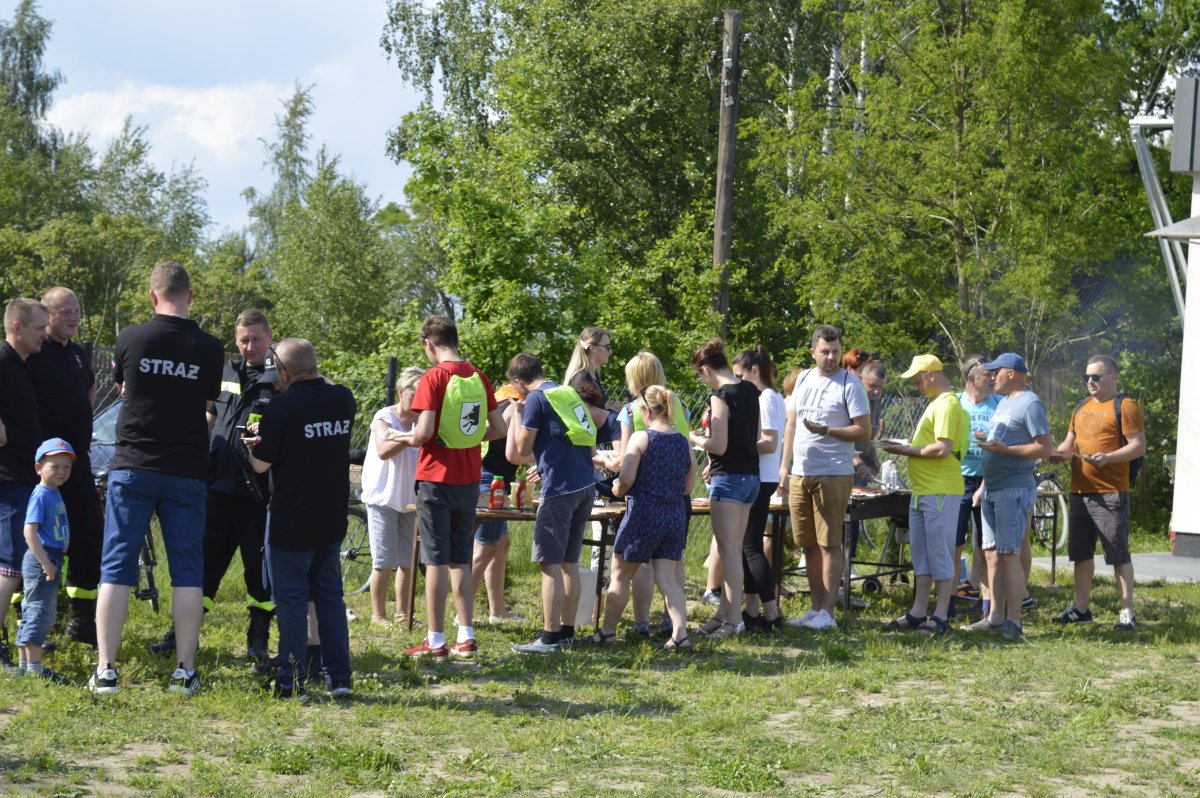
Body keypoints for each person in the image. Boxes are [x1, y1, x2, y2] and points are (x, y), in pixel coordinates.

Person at [89, 262, 224, 696]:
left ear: (152, 295)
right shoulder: (210, 348)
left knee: (116, 566)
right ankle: (185, 671)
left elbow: (123, 388)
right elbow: (207, 401)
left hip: (134, 464)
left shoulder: (131, 337)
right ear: (190, 296)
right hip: (186, 470)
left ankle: (106, 670)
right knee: (187, 571)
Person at [145, 310, 281, 666]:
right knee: (202, 567)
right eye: (243, 340)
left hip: (258, 493)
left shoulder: (281, 378)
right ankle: (180, 636)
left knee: (259, 573)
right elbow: (209, 417)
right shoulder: (227, 372)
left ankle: (257, 640)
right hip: (217, 488)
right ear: (236, 340)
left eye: (256, 339)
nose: (250, 346)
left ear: (270, 337)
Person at [247, 338, 356, 699]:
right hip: (331, 516)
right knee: (330, 598)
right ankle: (340, 677)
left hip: (290, 519)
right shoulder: (343, 399)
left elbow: (260, 465)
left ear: (283, 372)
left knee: (292, 601)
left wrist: (252, 445)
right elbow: (324, 387)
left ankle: (290, 679)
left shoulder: (281, 407)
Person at [401, 316, 506, 661]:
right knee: (460, 557)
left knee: (435, 560)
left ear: (429, 344)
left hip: (436, 479)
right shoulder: (478, 376)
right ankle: (466, 635)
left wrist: (403, 438)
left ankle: (435, 640)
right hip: (469, 478)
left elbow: (423, 433)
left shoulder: (433, 378)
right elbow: (498, 429)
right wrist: (468, 439)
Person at [506, 352, 619, 653]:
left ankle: (549, 637)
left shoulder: (535, 399)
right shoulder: (567, 392)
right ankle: (567, 633)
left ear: (518, 381)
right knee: (570, 564)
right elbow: (588, 442)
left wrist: (517, 415)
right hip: (585, 486)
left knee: (550, 565)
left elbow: (521, 448)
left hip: (558, 490)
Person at [778, 325, 871, 631]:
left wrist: (829, 431)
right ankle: (815, 609)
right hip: (800, 472)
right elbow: (791, 424)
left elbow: (863, 431)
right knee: (807, 545)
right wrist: (784, 466)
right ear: (813, 352)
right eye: (825, 352)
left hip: (833, 473)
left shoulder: (850, 384)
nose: (831, 357)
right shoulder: (803, 378)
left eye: (835, 351)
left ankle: (828, 613)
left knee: (829, 543)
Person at [593, 386, 695, 651]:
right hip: (674, 516)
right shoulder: (683, 441)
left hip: (642, 516)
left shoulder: (641, 438)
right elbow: (688, 486)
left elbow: (626, 479)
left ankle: (607, 632)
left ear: (647, 411)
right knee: (669, 579)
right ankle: (680, 635)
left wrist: (617, 488)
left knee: (620, 576)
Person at [28, 287, 103, 647]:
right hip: (45, 469)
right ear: (47, 316)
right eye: (65, 312)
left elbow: (90, 388)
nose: (74, 317)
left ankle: (82, 620)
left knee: (88, 536)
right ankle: (33, 621)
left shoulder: (77, 353)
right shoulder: (35, 352)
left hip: (78, 463)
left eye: (76, 311)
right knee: (39, 540)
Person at [1048, 355, 1145, 631]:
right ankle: (1081, 609)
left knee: (1117, 553)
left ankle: (1127, 611)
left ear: (1113, 377)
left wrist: (1109, 458)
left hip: (1110, 492)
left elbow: (1138, 446)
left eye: (1096, 377)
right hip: (1079, 492)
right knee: (1081, 554)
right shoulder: (1081, 406)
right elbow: (1069, 445)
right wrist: (1056, 455)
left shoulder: (1125, 406)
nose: (1090, 381)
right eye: (1087, 377)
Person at [963, 353, 1051, 640]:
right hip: (992, 488)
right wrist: (983, 485)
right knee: (990, 553)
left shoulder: (1030, 403)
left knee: (1008, 554)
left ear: (1011, 373)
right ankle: (995, 617)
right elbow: (1000, 444)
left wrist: (1007, 451)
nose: (992, 377)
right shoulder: (1003, 403)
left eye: (996, 372)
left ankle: (1014, 621)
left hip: (1013, 489)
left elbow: (1044, 448)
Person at [881, 355, 968, 635]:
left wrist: (904, 450)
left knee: (940, 553)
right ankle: (918, 612)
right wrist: (904, 446)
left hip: (940, 489)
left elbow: (942, 448)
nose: (916, 386)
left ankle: (941, 615)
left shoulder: (948, 404)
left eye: (918, 380)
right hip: (922, 491)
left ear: (931, 374)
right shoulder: (935, 403)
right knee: (921, 555)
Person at [689, 337, 761, 640]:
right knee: (733, 550)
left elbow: (718, 445)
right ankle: (723, 614)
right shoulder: (751, 390)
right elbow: (755, 436)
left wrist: (693, 438)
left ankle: (734, 621)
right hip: (751, 478)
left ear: (705, 369)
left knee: (729, 552)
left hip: (728, 479)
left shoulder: (720, 396)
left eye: (700, 375)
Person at [0, 298, 49, 668]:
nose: (45, 334)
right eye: (39, 328)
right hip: (8, 478)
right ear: (17, 327)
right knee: (10, 565)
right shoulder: (2, 360)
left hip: (21, 477)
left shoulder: (21, 364)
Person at [362, 366, 425, 626]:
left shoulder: (423, 420)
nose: (420, 401)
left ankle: (403, 614)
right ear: (401, 392)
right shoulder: (384, 416)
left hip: (410, 499)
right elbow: (383, 449)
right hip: (383, 497)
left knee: (408, 561)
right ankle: (378, 615)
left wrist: (407, 435)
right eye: (414, 394)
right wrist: (410, 438)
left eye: (424, 395)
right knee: (384, 561)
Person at [732, 345, 784, 631]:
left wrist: (736, 448)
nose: (738, 382)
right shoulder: (768, 397)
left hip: (761, 477)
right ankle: (752, 611)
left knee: (751, 547)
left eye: (741, 376)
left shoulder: (765, 398)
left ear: (755, 370)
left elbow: (770, 443)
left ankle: (772, 614)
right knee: (747, 546)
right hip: (762, 475)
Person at [16, 439, 75, 680]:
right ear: (39, 468)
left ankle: (24, 667)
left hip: (51, 556)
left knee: (32, 609)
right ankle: (35, 669)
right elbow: (29, 532)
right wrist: (45, 562)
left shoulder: (53, 492)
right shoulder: (41, 495)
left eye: (66, 467)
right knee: (40, 612)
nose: (62, 471)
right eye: (55, 466)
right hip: (43, 557)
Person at [472, 379, 525, 623]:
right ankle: (463, 614)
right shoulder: (515, 407)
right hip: (491, 481)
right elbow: (514, 454)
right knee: (485, 548)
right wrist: (543, 459)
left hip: (491, 477)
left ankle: (498, 611)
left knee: (501, 543)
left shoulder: (497, 400)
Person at [955, 355, 1000, 610]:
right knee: (955, 542)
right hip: (958, 479)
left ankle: (987, 605)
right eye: (988, 375)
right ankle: (949, 602)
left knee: (987, 544)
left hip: (989, 478)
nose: (993, 378)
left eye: (994, 374)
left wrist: (986, 485)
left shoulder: (1000, 403)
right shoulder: (955, 403)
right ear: (972, 378)